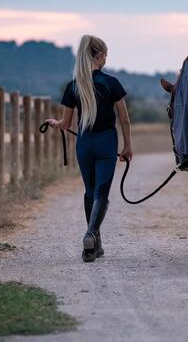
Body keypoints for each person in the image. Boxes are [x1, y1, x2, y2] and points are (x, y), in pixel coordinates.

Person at [45, 35, 133, 262]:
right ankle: (91, 234)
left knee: (90, 191)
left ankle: (93, 247)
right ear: (97, 56)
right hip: (106, 143)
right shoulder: (111, 83)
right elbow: (124, 118)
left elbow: (65, 124)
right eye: (105, 55)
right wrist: (127, 146)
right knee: (102, 192)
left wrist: (55, 124)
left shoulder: (73, 86)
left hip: (84, 144)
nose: (106, 59)